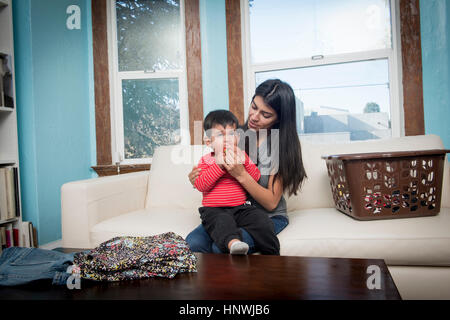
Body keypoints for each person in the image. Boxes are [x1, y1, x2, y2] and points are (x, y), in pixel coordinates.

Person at [187, 79, 307, 254]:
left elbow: (271, 203)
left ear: (279, 119)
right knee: (194, 243)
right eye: (254, 106)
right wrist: (197, 177)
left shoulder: (280, 147)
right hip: (230, 212)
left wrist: (241, 174)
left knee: (220, 248)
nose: (254, 116)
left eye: (265, 115)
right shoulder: (236, 136)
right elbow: (214, 170)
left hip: (268, 217)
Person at [195, 109, 280, 255]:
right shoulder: (207, 160)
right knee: (223, 222)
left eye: (232, 133)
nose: (228, 139)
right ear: (209, 141)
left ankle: (273, 254)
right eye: (221, 134)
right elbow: (201, 185)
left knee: (261, 219)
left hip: (241, 208)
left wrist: (245, 163)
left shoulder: (242, 155)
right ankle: (234, 244)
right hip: (215, 210)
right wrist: (219, 166)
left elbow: (256, 176)